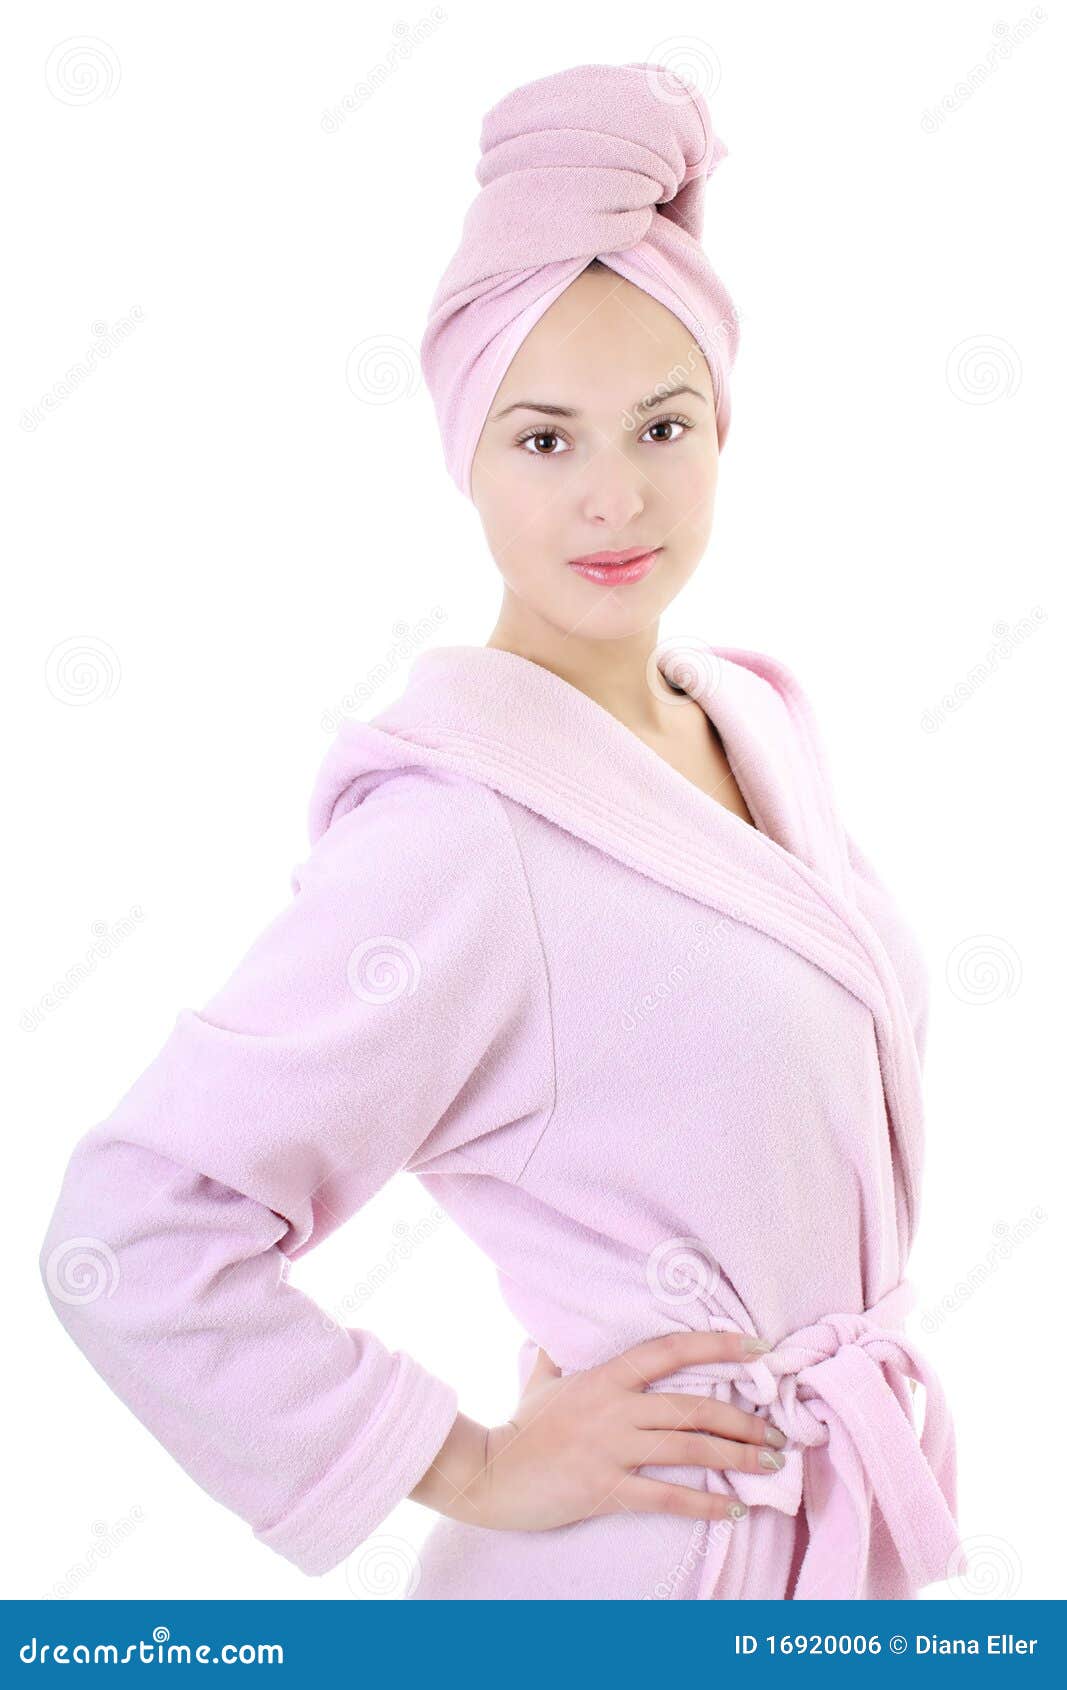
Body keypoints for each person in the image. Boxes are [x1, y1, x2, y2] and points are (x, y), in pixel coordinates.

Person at [39, 62, 963, 1601]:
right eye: (546, 440)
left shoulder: (753, 721)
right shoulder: (459, 833)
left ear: (723, 432)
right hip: (652, 1573)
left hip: (828, 1545)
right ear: (464, 454)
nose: (617, 497)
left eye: (663, 426)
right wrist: (465, 1461)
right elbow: (133, 1227)